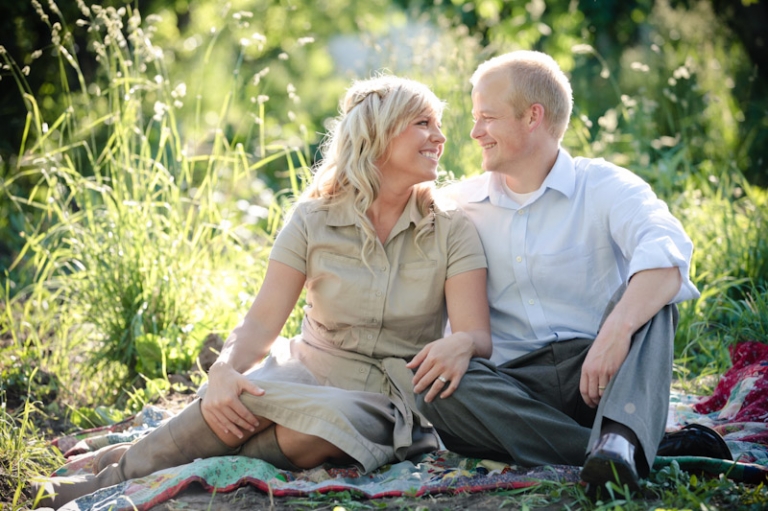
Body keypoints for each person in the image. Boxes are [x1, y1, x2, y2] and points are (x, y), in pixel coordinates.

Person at [33, 75, 492, 509]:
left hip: (385, 401)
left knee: (319, 429)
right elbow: (260, 324)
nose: (440, 137)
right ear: (377, 134)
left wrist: (463, 342)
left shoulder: (451, 229)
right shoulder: (313, 219)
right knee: (244, 397)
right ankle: (110, 479)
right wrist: (223, 371)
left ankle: (165, 458)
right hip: (308, 375)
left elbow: (477, 336)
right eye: (423, 123)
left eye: (438, 124)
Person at [413, 50, 701, 492]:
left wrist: (617, 329)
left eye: (487, 118)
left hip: (606, 375)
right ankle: (622, 449)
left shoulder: (604, 186)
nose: (474, 133)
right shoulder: (458, 207)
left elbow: (667, 251)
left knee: (656, 304)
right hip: (515, 393)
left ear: (533, 117)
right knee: (435, 386)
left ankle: (621, 437)